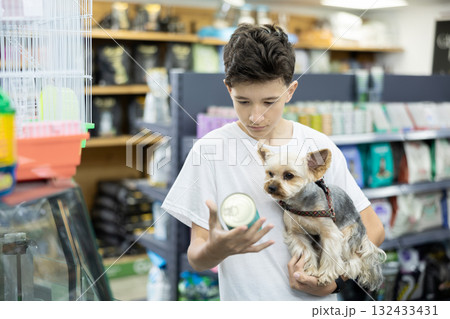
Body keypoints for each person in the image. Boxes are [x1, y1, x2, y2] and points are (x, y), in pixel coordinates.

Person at [161, 24, 385, 301]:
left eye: (269, 101)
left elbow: (372, 228)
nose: (256, 116)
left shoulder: (317, 148)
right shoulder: (209, 151)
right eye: (243, 101)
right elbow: (197, 258)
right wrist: (218, 249)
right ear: (228, 88)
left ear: (290, 91)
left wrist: (334, 282)